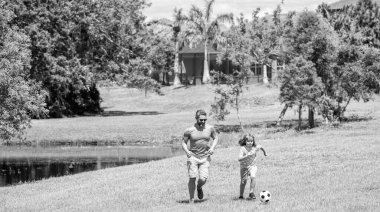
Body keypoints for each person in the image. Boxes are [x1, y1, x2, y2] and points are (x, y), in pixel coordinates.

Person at [182, 109, 218, 203]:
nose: (203, 122)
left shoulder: (210, 128)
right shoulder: (189, 130)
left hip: (205, 157)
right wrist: (187, 151)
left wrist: (212, 148)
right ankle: (191, 199)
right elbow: (184, 142)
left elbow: (215, 138)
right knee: (192, 177)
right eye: (201, 120)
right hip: (193, 156)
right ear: (196, 118)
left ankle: (199, 187)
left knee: (203, 178)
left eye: (205, 120)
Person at [238, 133, 267, 200]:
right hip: (244, 167)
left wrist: (265, 153)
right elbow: (239, 159)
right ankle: (241, 196)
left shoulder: (255, 147)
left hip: (252, 166)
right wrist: (246, 155)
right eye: (248, 141)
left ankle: (251, 193)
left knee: (253, 176)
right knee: (243, 181)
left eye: (251, 141)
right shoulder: (242, 149)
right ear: (245, 141)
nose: (250, 142)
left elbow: (261, 147)